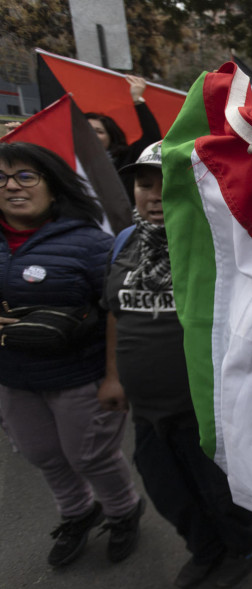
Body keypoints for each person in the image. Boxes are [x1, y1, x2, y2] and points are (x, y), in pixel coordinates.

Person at [98, 142, 252, 589]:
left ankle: (244, 544)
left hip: (204, 410)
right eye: (143, 184)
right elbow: (115, 312)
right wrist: (113, 375)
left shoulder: (217, 243)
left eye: (169, 185)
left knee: (220, 490)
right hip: (146, 410)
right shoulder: (123, 244)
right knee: (168, 492)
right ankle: (204, 549)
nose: (154, 195)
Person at [0, 142, 143, 567]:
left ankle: (123, 510)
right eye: (1, 178)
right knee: (41, 453)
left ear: (54, 186)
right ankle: (77, 513)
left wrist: (115, 377)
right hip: (14, 378)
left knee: (90, 455)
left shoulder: (90, 243)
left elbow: (117, 309)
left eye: (25, 176)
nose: (12, 186)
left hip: (80, 375)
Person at [85, 75, 162, 173]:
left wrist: (137, 99)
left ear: (111, 138)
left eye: (99, 131)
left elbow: (152, 138)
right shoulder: (68, 161)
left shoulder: (125, 160)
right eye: (86, 129)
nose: (92, 134)